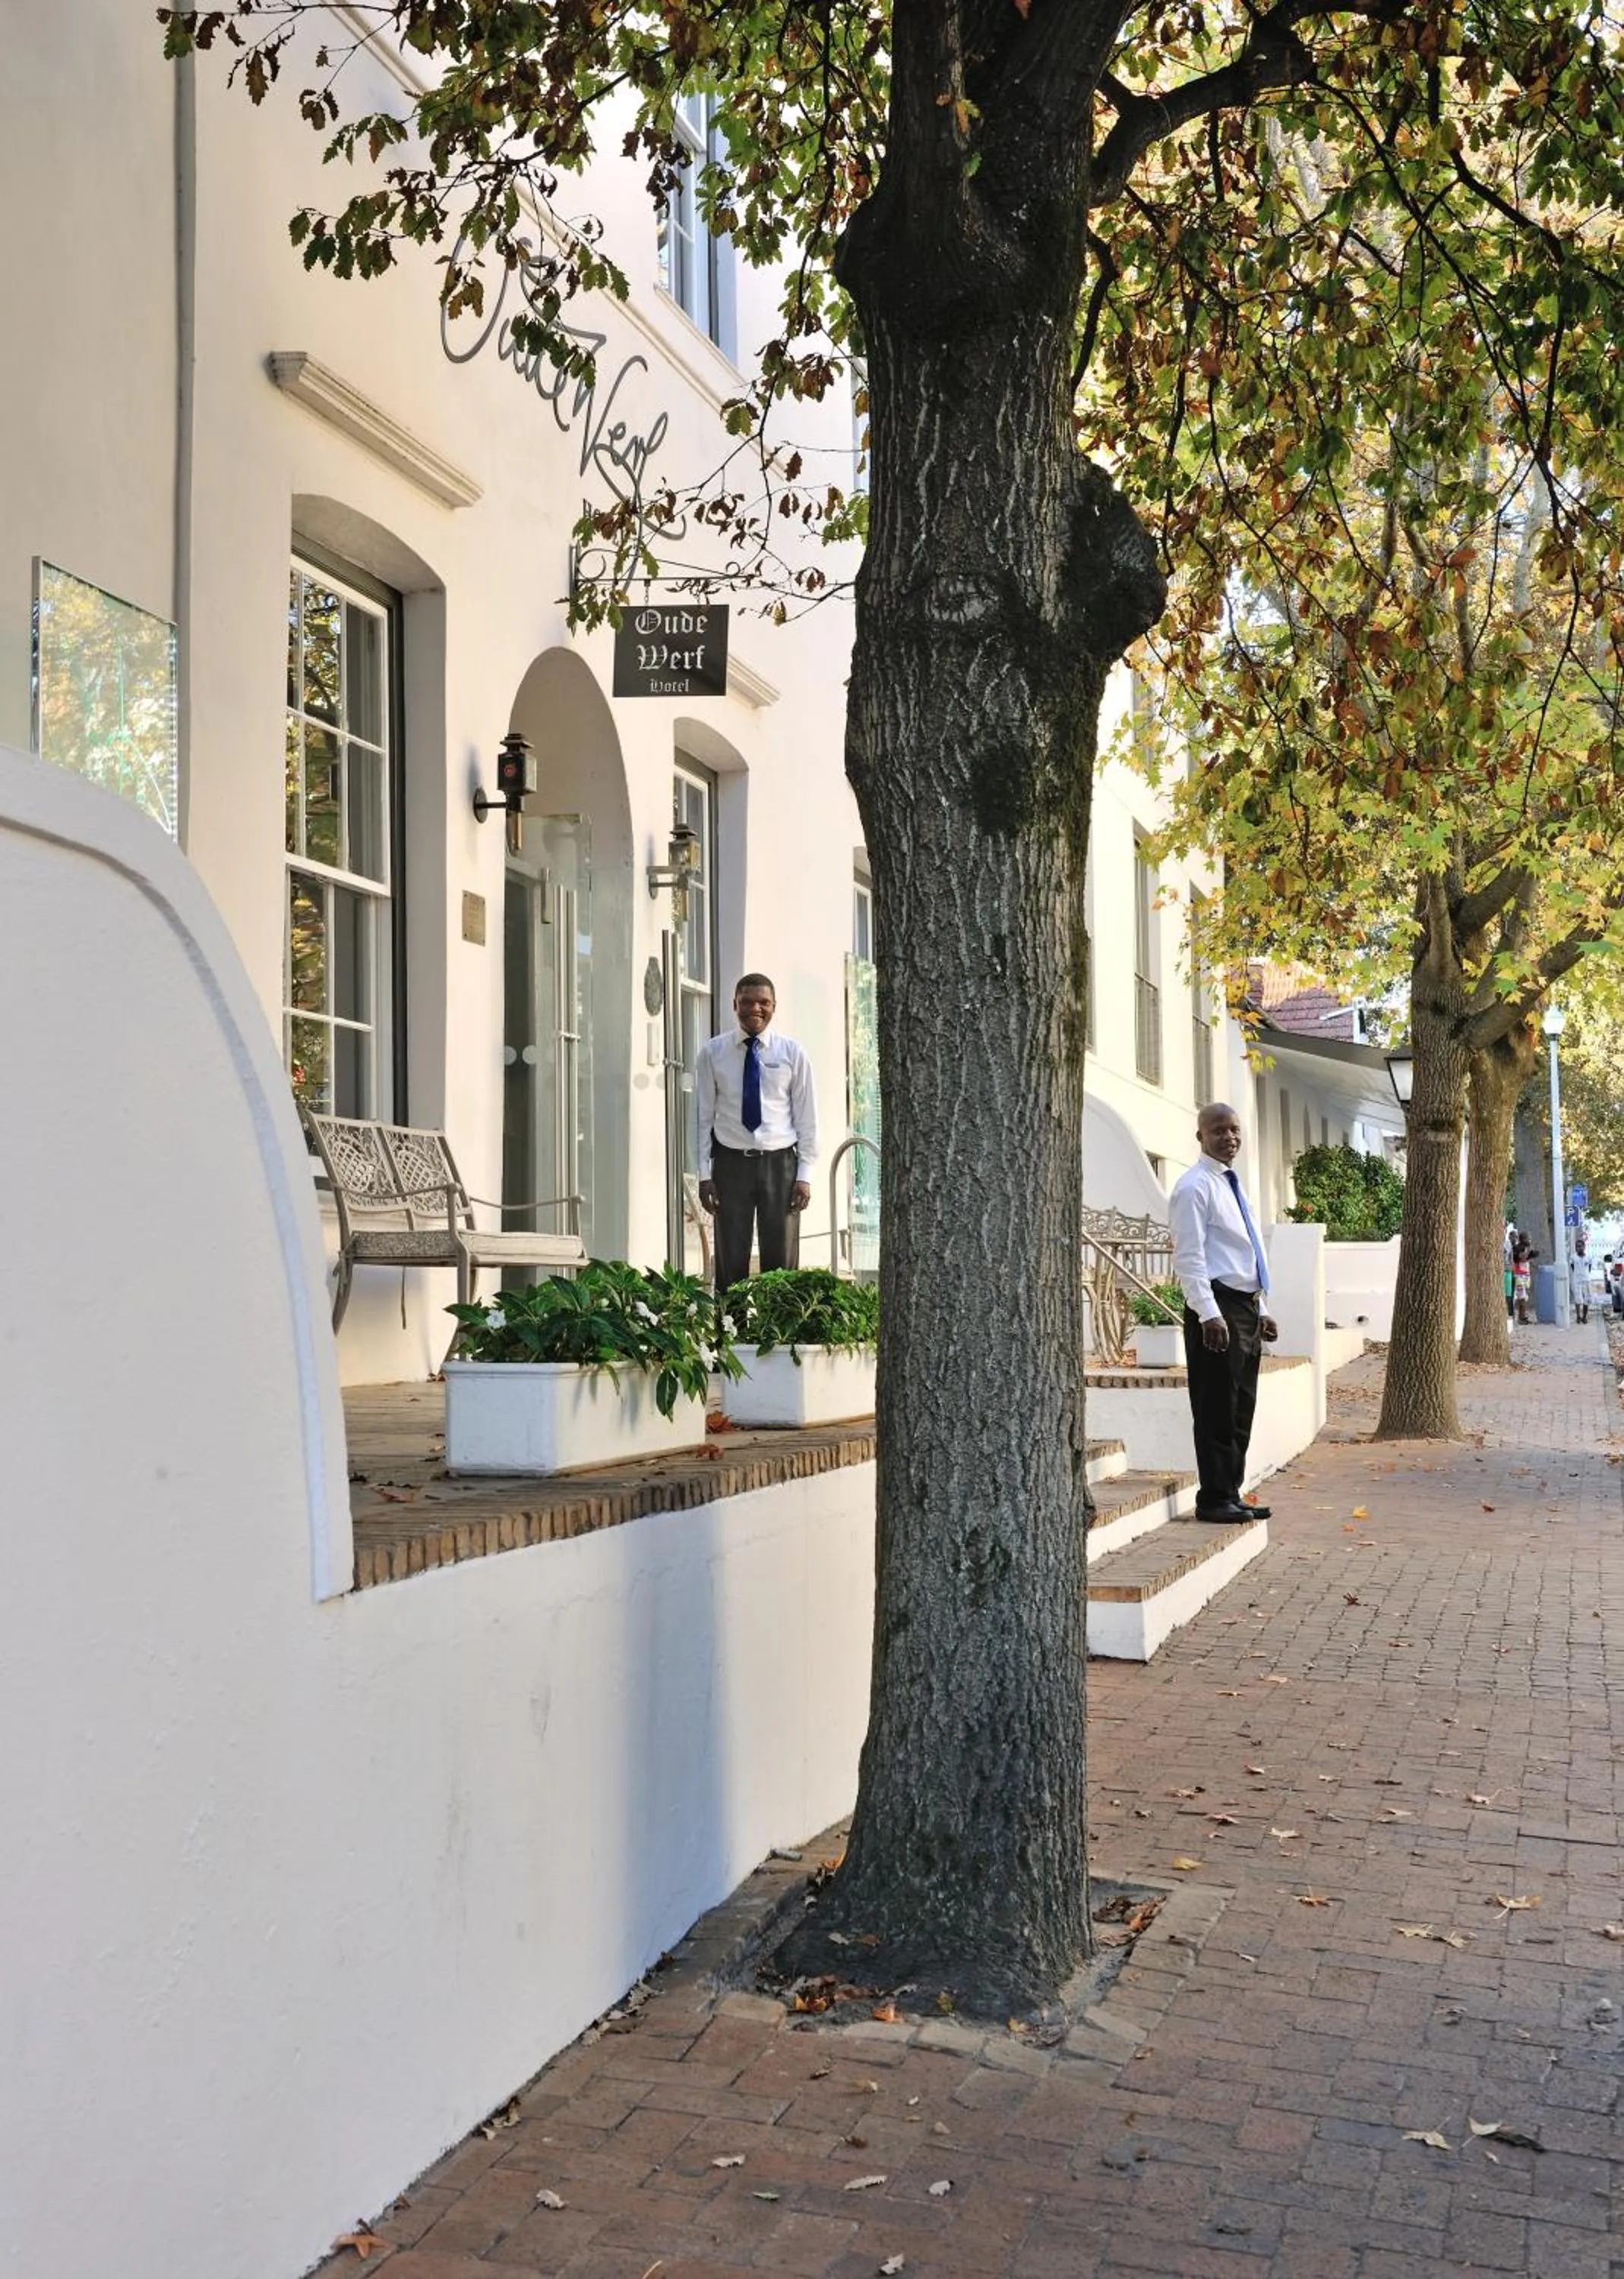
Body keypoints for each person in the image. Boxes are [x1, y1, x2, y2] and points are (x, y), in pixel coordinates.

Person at [1169, 1103, 1278, 1523]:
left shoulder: (1231, 1183)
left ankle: (1231, 1492)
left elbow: (1243, 1250)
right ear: (1201, 1137)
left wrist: (1262, 1307)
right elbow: (1191, 1257)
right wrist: (1208, 1314)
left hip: (1245, 1307)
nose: (1229, 1137)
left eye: (1234, 1130)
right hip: (1218, 1308)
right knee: (1216, 1405)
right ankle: (1213, 1499)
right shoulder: (1193, 1187)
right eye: (1218, 1130)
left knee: (1240, 1407)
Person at [696, 972, 818, 1293]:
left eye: (763, 1002)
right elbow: (702, 1118)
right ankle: (729, 1337)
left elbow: (807, 1119)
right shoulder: (712, 1053)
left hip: (780, 1165)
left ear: (774, 1007)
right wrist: (703, 1174)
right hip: (730, 1163)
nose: (755, 1009)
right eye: (747, 1002)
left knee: (781, 1260)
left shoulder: (793, 1053)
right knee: (730, 1257)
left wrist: (804, 1174)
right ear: (735, 1005)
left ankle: (776, 1338)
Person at [1511, 1234, 1536, 1325]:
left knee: (1525, 1297)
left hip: (1526, 1274)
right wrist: (1527, 1252)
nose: (1530, 1240)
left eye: (1530, 1238)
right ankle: (1520, 1318)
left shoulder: (1527, 1248)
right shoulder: (1517, 1248)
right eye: (1528, 1238)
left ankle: (1523, 1316)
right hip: (1519, 1275)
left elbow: (1535, 1254)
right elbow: (1520, 1258)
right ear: (1522, 1239)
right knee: (1521, 1296)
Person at [1569, 1238, 1591, 1326]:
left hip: (1586, 1280)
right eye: (1577, 1247)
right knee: (1578, 1299)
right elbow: (1572, 1268)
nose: (1579, 1248)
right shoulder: (1573, 1257)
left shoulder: (1588, 1258)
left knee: (1587, 1299)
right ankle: (1578, 1316)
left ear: (1584, 1247)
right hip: (1577, 1280)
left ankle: (1584, 1317)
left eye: (1580, 1246)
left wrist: (1585, 1275)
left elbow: (1589, 1268)